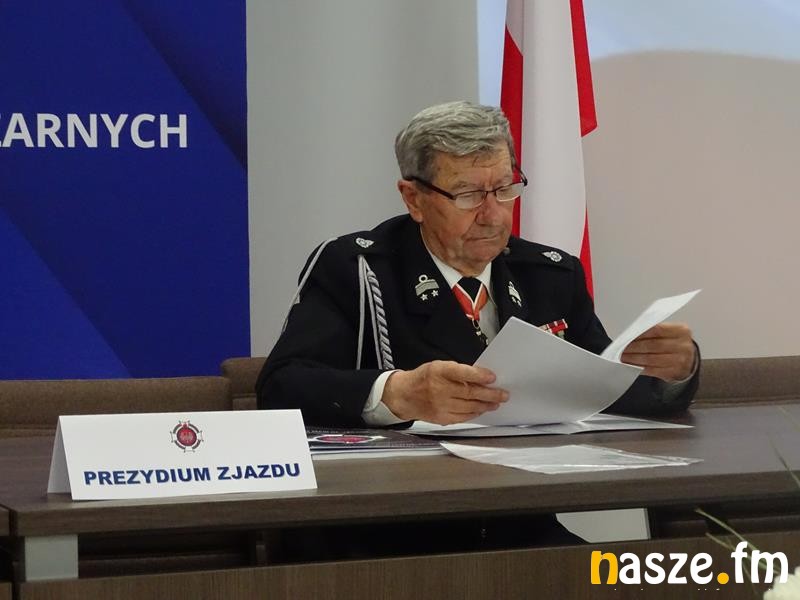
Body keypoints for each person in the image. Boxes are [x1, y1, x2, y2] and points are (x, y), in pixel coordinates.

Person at [256, 101, 699, 427]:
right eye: (468, 195)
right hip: (404, 512)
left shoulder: (548, 275)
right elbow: (281, 387)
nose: (492, 214)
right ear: (414, 198)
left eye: (504, 189)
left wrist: (673, 372)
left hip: (523, 506)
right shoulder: (357, 270)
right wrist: (396, 393)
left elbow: (603, 391)